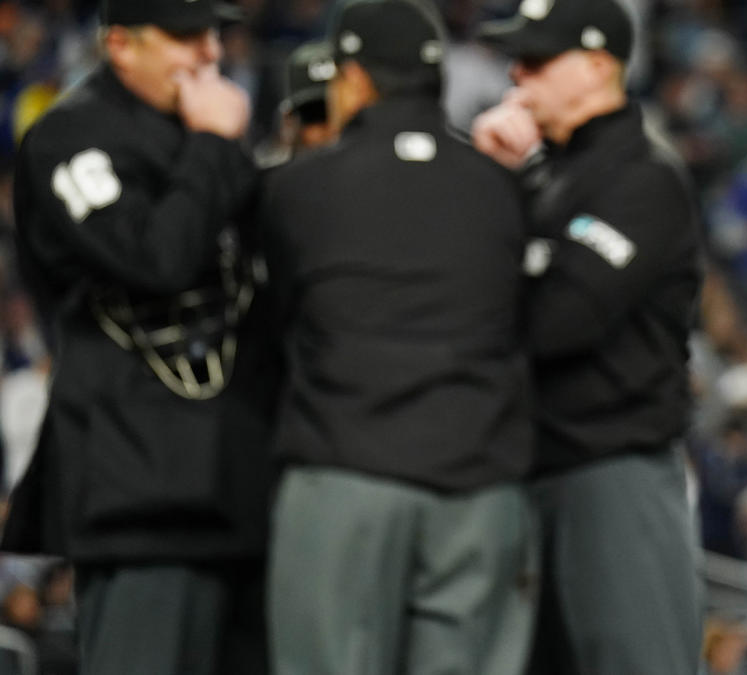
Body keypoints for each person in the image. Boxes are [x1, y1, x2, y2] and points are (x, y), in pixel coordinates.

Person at [0, 0, 277, 673]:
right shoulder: (69, 137)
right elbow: (156, 259)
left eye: (212, 33)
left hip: (239, 483)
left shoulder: (204, 129)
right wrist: (215, 146)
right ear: (121, 44)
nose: (208, 52)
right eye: (184, 35)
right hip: (141, 492)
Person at [259, 1, 535, 673]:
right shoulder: (501, 189)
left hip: (347, 469)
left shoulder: (300, 186)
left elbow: (276, 323)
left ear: (351, 79)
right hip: (479, 483)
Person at [471, 0, 704, 672]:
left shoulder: (643, 179)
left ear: (599, 65)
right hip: (530, 472)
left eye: (540, 59)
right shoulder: (539, 179)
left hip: (613, 475)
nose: (518, 72)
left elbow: (555, 322)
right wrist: (495, 185)